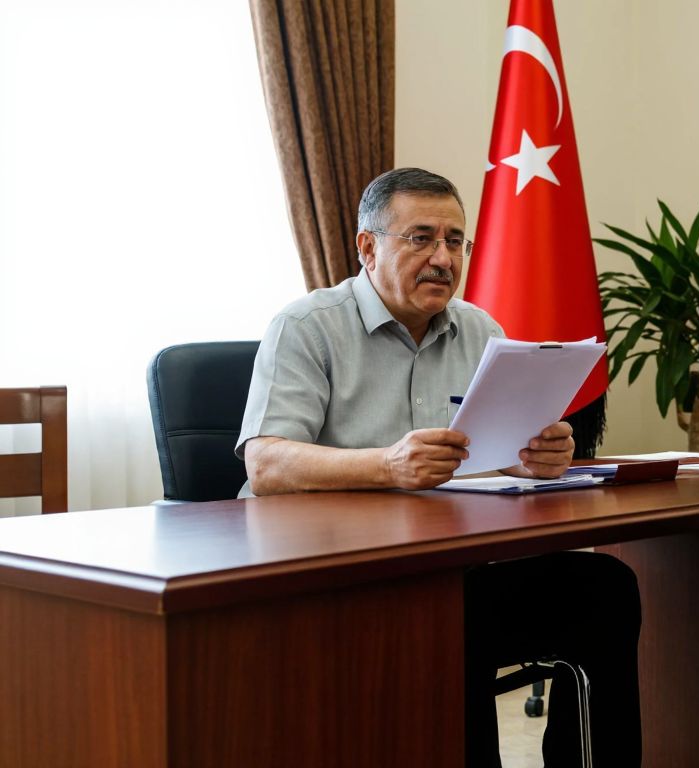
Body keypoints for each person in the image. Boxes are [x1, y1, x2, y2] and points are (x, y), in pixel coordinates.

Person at [236, 167, 640, 767]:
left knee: (605, 590)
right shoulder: (306, 328)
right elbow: (266, 462)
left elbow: (501, 454)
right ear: (368, 247)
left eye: (456, 241)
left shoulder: (481, 331)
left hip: (453, 564)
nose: (443, 258)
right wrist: (386, 465)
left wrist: (539, 458)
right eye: (420, 238)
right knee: (452, 625)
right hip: (336, 577)